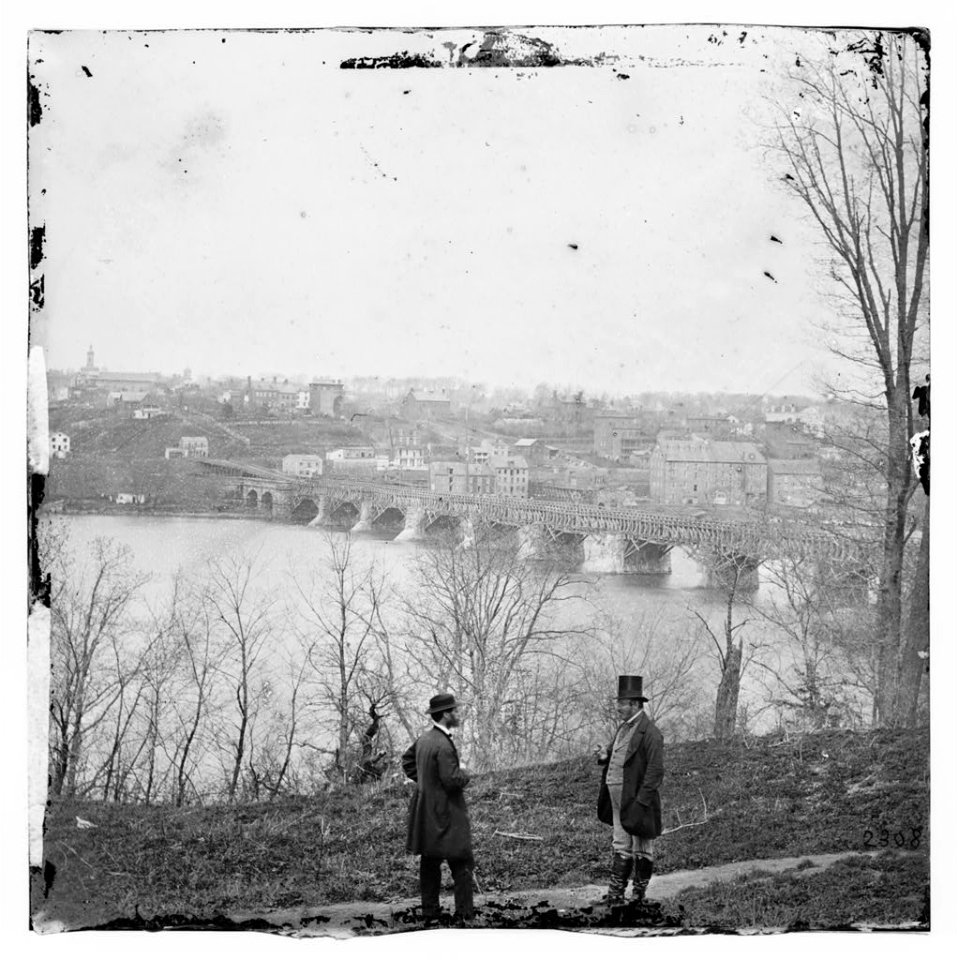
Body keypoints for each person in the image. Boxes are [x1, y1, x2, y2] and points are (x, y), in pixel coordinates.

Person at [401, 693, 475, 923]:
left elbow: (407, 761)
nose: (457, 714)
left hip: (426, 812)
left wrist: (426, 781)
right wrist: (464, 773)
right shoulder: (443, 744)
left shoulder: (424, 739)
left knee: (430, 861)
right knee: (462, 861)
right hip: (447, 813)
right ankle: (464, 916)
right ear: (445, 714)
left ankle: (430, 914)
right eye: (454, 711)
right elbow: (452, 780)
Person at [594, 675, 664, 905]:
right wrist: (605, 756)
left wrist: (642, 803)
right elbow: (617, 754)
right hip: (617, 798)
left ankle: (637, 897)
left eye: (621, 703)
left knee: (642, 847)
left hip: (637, 799)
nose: (618, 708)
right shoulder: (623, 729)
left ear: (634, 704)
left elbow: (655, 771)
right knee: (621, 843)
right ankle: (615, 895)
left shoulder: (651, 733)